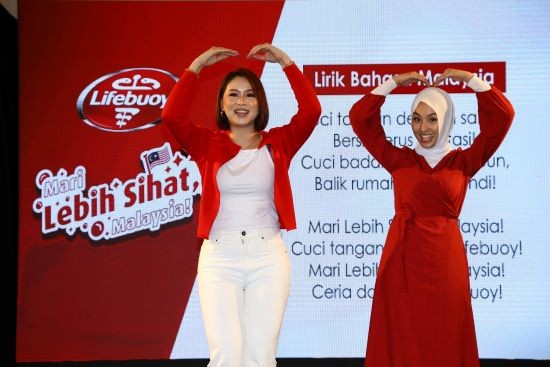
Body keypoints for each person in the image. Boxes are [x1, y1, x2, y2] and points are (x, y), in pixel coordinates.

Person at [161, 44, 321, 367]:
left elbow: (312, 111)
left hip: (267, 256)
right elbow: (171, 115)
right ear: (222, 103)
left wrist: (286, 63)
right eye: (233, 95)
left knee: (260, 357)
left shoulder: (280, 143)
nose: (241, 102)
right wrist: (198, 64)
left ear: (260, 102)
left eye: (249, 95)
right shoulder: (206, 144)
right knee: (227, 356)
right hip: (220, 257)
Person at [349, 68, 515, 367]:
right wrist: (394, 83)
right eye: (416, 118)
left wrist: (469, 79)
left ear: (447, 120)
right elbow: (359, 118)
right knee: (402, 332)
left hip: (445, 259)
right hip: (402, 259)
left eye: (432, 118)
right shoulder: (398, 159)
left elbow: (503, 116)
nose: (423, 128)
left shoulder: (464, 161)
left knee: (446, 331)